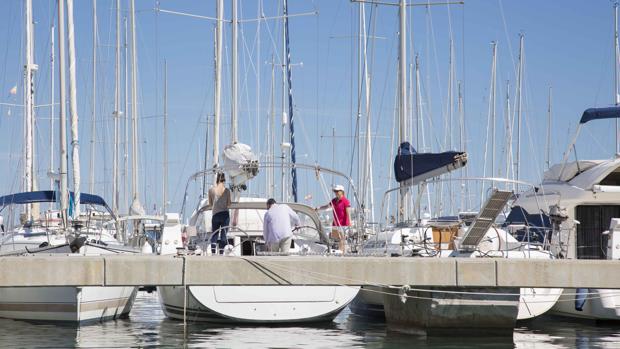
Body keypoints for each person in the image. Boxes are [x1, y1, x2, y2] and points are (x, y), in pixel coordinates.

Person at [316, 184, 351, 252]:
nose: (336, 192)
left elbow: (348, 213)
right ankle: (338, 250)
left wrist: (349, 223)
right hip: (335, 223)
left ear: (342, 192)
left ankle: (341, 252)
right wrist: (319, 208)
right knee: (334, 237)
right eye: (335, 191)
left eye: (337, 191)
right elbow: (327, 206)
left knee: (341, 238)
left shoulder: (345, 201)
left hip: (343, 223)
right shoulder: (334, 200)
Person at [208, 172, 232, 254]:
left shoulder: (211, 190)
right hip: (225, 214)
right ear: (224, 180)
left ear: (216, 180)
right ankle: (221, 252)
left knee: (214, 233)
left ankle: (213, 251)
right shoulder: (227, 191)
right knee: (224, 234)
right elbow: (229, 204)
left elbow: (210, 204)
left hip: (215, 214)